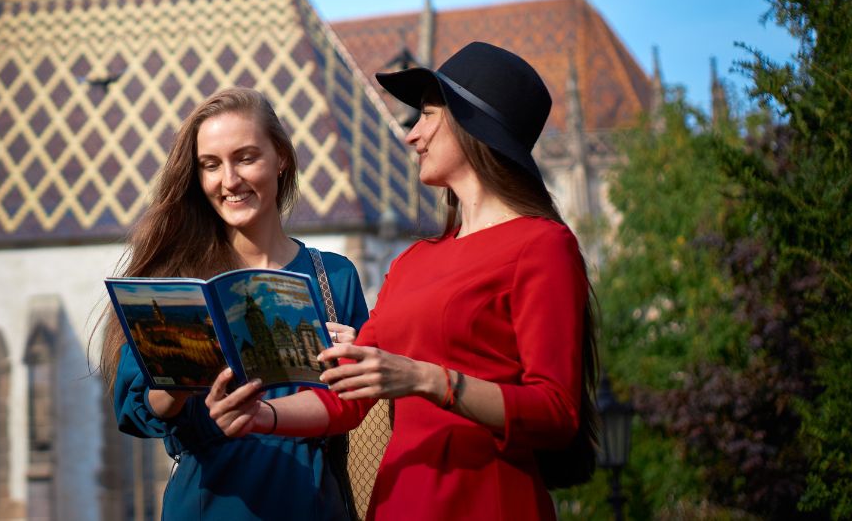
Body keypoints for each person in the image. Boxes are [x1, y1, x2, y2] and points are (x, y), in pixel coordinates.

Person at [205, 42, 598, 520]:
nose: (413, 136)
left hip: (488, 502)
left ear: (474, 125)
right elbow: (347, 398)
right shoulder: (413, 261)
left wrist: (425, 378)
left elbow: (556, 414)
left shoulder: (542, 245)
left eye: (427, 115)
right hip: (399, 503)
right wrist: (260, 416)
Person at [100, 87, 370, 520]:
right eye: (211, 165)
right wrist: (180, 381)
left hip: (309, 503)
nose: (228, 180)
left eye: (245, 158)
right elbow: (136, 410)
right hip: (209, 504)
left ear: (281, 158)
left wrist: (358, 359)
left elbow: (356, 406)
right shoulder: (176, 282)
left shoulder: (334, 277)